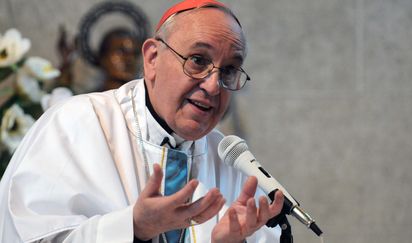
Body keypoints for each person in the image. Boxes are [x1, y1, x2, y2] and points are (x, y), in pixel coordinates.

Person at [0, 0, 284, 242]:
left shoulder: (231, 161)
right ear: (152, 59)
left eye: (230, 70)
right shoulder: (74, 124)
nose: (213, 86)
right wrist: (134, 228)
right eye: (198, 60)